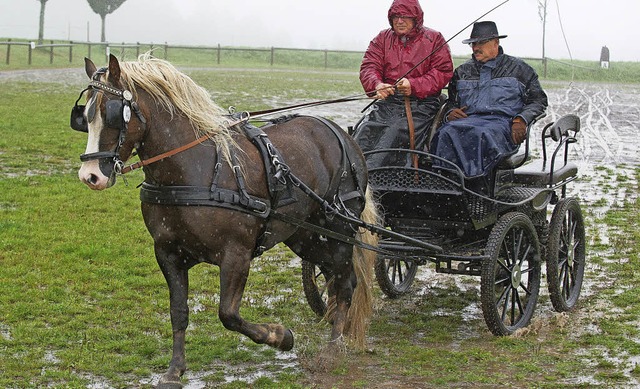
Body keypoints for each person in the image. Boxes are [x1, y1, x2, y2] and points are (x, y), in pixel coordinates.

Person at [430, 21, 548, 193]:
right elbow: (452, 102)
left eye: (481, 43)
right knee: (444, 132)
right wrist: (450, 113)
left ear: (496, 43)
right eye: (473, 44)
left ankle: (478, 193)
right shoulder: (462, 72)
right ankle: (447, 189)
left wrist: (521, 120)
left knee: (480, 134)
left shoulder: (520, 70)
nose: (476, 48)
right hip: (466, 122)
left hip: (502, 126)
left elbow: (538, 101)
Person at [353, 0, 453, 169]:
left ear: (416, 19)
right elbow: (369, 66)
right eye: (395, 16)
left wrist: (414, 85)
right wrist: (377, 85)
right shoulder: (382, 38)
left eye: (405, 16)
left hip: (422, 104)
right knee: (365, 131)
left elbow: (443, 72)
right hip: (389, 102)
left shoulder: (434, 39)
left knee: (393, 133)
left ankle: (375, 175)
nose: (399, 21)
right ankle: (355, 174)